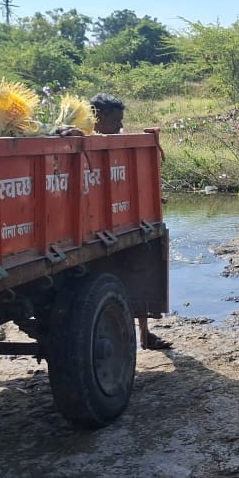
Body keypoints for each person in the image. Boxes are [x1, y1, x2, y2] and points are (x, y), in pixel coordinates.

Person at [88, 93, 172, 351]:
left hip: (117, 223)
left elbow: (127, 182)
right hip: (94, 229)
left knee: (135, 275)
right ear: (98, 118)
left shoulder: (117, 146)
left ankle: (145, 333)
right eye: (116, 121)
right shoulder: (81, 142)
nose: (120, 127)